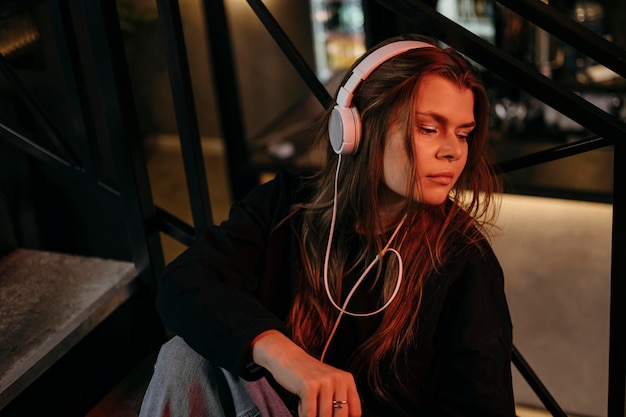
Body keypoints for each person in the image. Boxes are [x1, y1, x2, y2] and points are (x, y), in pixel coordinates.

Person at [139, 34, 515, 417]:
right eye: (429, 129)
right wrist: (285, 357)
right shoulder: (285, 205)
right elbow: (183, 284)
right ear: (356, 129)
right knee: (183, 356)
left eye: (463, 134)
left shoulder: (465, 259)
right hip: (279, 406)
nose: (453, 151)